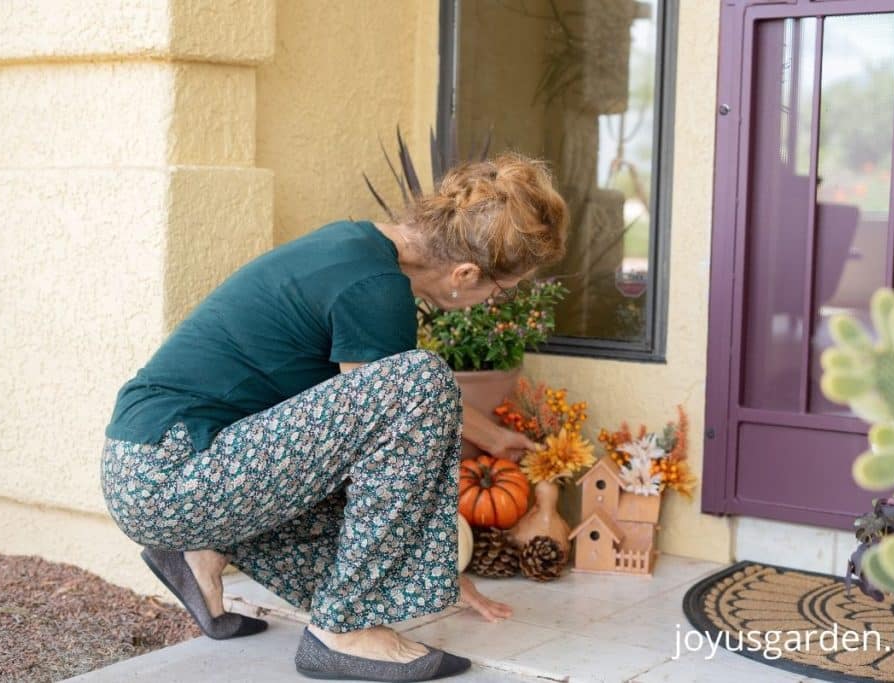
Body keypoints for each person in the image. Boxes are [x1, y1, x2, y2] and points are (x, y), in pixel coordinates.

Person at [99, 150, 569, 681]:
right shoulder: (377, 292)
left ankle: (196, 555)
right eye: (501, 290)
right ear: (465, 272)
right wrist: (432, 556)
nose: (494, 302)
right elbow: (384, 434)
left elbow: (351, 428)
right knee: (423, 380)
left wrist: (491, 443)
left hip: (154, 465)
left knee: (368, 542)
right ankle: (342, 630)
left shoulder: (358, 247)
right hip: (171, 476)